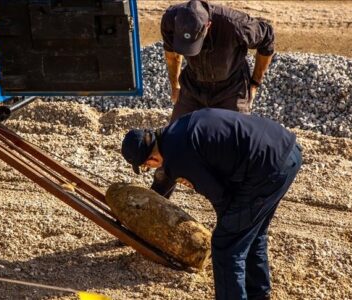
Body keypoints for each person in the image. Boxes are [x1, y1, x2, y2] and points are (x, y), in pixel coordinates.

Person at [121, 108, 302, 300]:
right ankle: (258, 294)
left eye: (146, 167)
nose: (152, 168)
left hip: (267, 168)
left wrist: (228, 225)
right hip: (287, 150)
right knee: (251, 231)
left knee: (226, 244)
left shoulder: (177, 159)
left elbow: (221, 197)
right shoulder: (179, 126)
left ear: (151, 159)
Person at [152, 0, 275, 198]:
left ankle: (237, 213)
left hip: (231, 89)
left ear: (207, 26)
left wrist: (254, 83)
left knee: (237, 150)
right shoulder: (170, 20)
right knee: (172, 143)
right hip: (193, 86)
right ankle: (157, 200)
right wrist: (174, 85)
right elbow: (172, 55)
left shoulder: (236, 24)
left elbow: (267, 37)